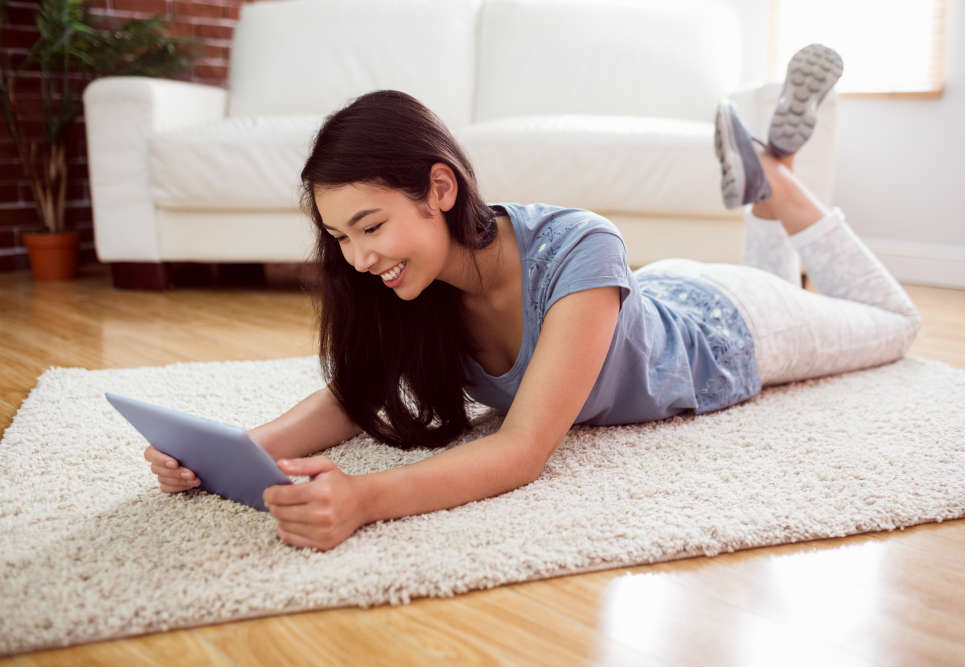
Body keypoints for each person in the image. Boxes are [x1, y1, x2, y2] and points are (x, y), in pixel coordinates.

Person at [144, 44, 921, 552]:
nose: (358, 256)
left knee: (895, 323)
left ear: (439, 189)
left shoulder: (581, 246)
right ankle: (761, 187)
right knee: (792, 280)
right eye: (340, 236)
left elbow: (520, 450)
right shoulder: (412, 285)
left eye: (370, 224)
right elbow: (355, 395)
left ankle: (778, 177)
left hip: (732, 327)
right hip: (647, 299)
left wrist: (366, 499)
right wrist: (231, 449)